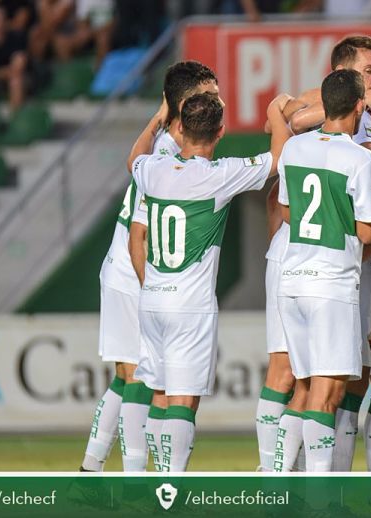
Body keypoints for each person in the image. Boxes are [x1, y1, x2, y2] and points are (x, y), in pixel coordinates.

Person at [127, 90, 286, 472]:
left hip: (152, 296)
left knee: (160, 393)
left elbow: (134, 159)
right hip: (189, 304)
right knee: (183, 399)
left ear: (179, 128)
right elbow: (279, 159)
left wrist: (155, 120)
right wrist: (276, 110)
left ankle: (156, 479)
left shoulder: (153, 170)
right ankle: (171, 486)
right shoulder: (219, 175)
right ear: (220, 132)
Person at [78, 61, 219, 474]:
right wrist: (151, 285)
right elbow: (139, 231)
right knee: (139, 378)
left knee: (126, 379)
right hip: (136, 270)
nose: (218, 99)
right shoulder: (170, 148)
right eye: (210, 93)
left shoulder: (164, 138)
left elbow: (132, 163)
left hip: (126, 268)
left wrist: (158, 117)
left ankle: (91, 471)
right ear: (187, 101)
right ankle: (136, 481)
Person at [274, 69, 371, 472]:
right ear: (360, 107)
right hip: (330, 286)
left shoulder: (295, 150)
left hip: (291, 282)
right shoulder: (361, 158)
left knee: (304, 388)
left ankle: (279, 478)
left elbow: (286, 211)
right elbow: (368, 231)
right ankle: (318, 495)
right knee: (327, 394)